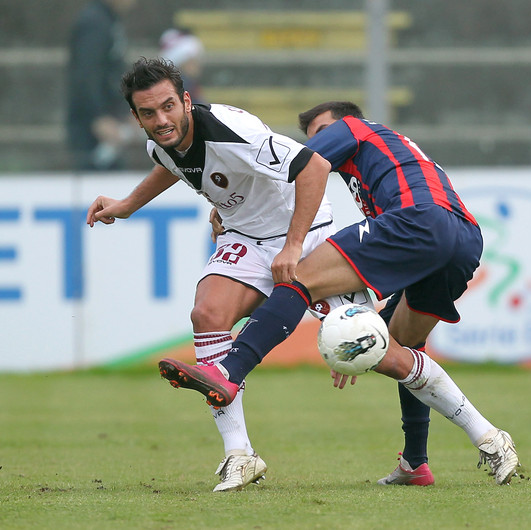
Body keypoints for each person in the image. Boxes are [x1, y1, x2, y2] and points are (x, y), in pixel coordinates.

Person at [159, 101, 521, 486]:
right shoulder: (389, 154)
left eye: (320, 132)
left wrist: (230, 209)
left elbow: (294, 168)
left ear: (344, 123)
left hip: (417, 218)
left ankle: (229, 370)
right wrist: (350, 336)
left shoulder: (356, 129)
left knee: (297, 277)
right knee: (401, 347)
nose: (316, 141)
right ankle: (446, 453)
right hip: (462, 237)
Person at [86, 58, 389, 492]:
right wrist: (128, 205)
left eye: (169, 106)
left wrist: (292, 247)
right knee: (207, 315)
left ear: (186, 100)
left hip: (303, 233)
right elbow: (172, 164)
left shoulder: (232, 129)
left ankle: (485, 435)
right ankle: (239, 455)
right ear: (135, 118)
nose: (162, 120)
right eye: (149, 113)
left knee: (378, 350)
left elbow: (314, 167)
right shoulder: (161, 143)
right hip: (246, 236)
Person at [66, 0, 137, 171]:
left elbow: (111, 74)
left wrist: (127, 109)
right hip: (93, 129)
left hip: (111, 122)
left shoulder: (109, 20)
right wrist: (98, 117)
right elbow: (86, 73)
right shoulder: (94, 22)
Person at [159, 28, 206, 104]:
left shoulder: (189, 84)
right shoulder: (182, 89)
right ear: (181, 63)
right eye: (193, 60)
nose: (198, 64)